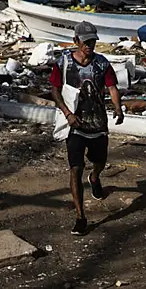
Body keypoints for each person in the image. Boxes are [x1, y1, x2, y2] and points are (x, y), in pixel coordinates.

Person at [50, 21, 124, 235]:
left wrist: (118, 108)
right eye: (85, 41)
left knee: (99, 161)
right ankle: (80, 216)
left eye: (92, 41)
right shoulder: (63, 63)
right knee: (75, 169)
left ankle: (95, 177)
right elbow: (54, 91)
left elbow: (112, 86)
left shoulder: (102, 64)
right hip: (74, 124)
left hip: (98, 123)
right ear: (76, 41)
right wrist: (67, 113)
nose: (89, 45)